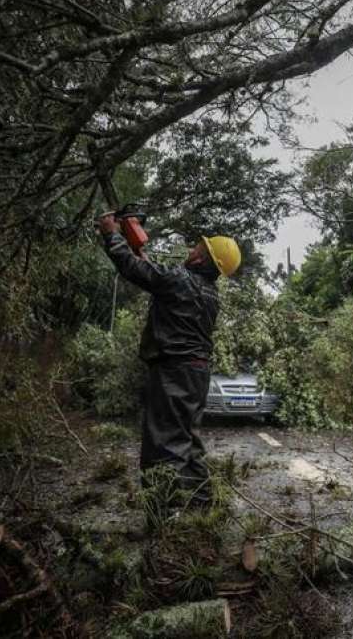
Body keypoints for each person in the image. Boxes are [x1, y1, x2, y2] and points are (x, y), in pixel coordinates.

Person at [96, 213, 241, 512]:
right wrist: (134, 240)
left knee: (162, 447)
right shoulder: (211, 294)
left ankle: (162, 520)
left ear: (203, 261)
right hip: (197, 373)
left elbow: (134, 269)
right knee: (188, 442)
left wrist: (111, 233)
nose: (191, 251)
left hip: (173, 370)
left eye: (197, 250)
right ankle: (203, 511)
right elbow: (152, 273)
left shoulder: (179, 280)